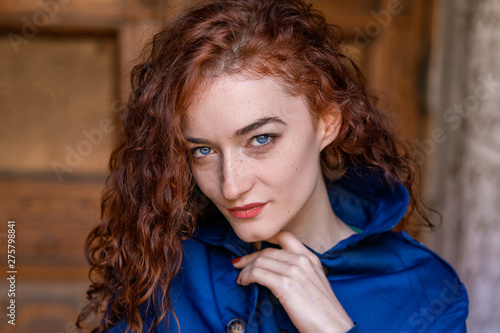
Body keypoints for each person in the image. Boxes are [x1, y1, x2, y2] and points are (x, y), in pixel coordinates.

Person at [76, 0, 469, 332]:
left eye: (260, 139)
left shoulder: (426, 291)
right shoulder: (167, 263)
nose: (230, 186)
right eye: (203, 151)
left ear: (327, 122)